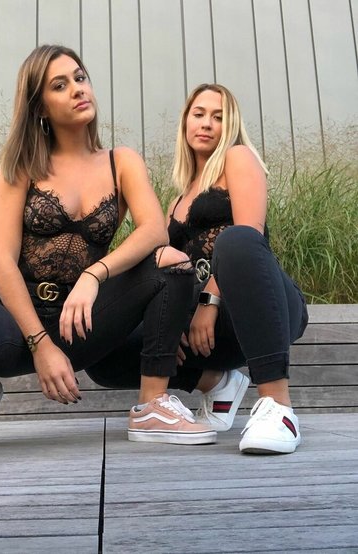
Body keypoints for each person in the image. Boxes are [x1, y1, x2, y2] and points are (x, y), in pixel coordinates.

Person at [0, 46, 217, 450]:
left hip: (82, 318)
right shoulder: (20, 166)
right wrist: (40, 345)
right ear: (40, 106)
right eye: (60, 85)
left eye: (80, 77)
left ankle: (152, 406)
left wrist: (94, 275)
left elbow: (153, 231)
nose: (78, 89)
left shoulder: (121, 161)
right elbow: (1, 262)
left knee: (172, 263)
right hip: (16, 315)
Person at [87, 83, 309, 454]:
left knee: (235, 240)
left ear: (230, 125)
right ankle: (216, 383)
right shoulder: (176, 199)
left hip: (264, 308)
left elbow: (252, 233)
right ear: (185, 122)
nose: (206, 123)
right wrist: (165, 324)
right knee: (106, 353)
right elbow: (163, 274)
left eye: (218, 117)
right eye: (199, 114)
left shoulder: (238, 158)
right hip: (207, 334)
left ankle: (279, 409)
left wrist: (210, 301)